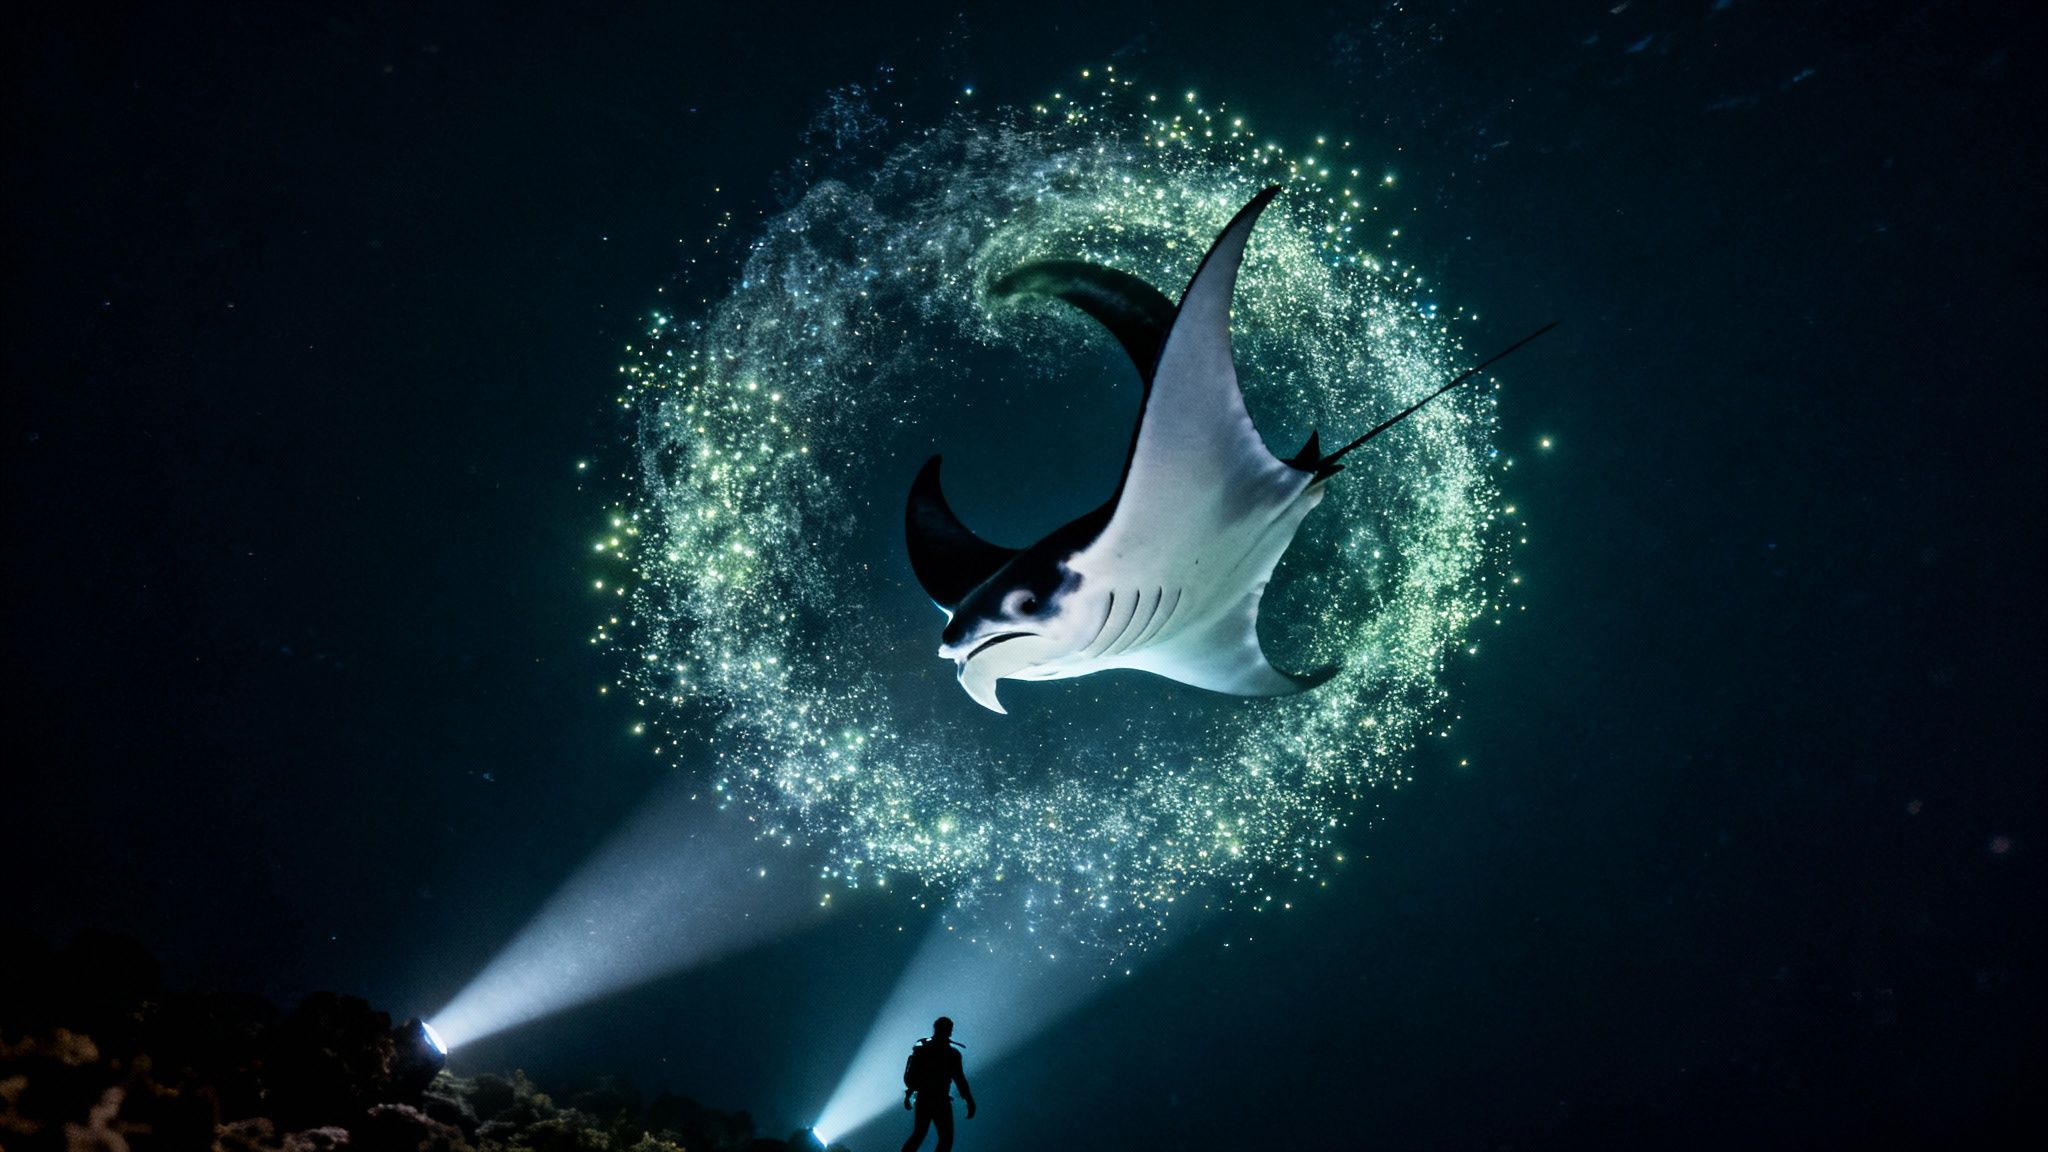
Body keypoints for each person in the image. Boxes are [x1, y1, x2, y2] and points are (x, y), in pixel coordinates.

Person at [901, 1016, 975, 1152]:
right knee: (945, 1138)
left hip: (924, 1099)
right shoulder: (952, 1054)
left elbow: (915, 1074)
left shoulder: (923, 1050)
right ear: (949, 1031)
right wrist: (969, 1100)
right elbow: (960, 1079)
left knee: (919, 1134)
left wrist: (908, 1096)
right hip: (940, 1100)